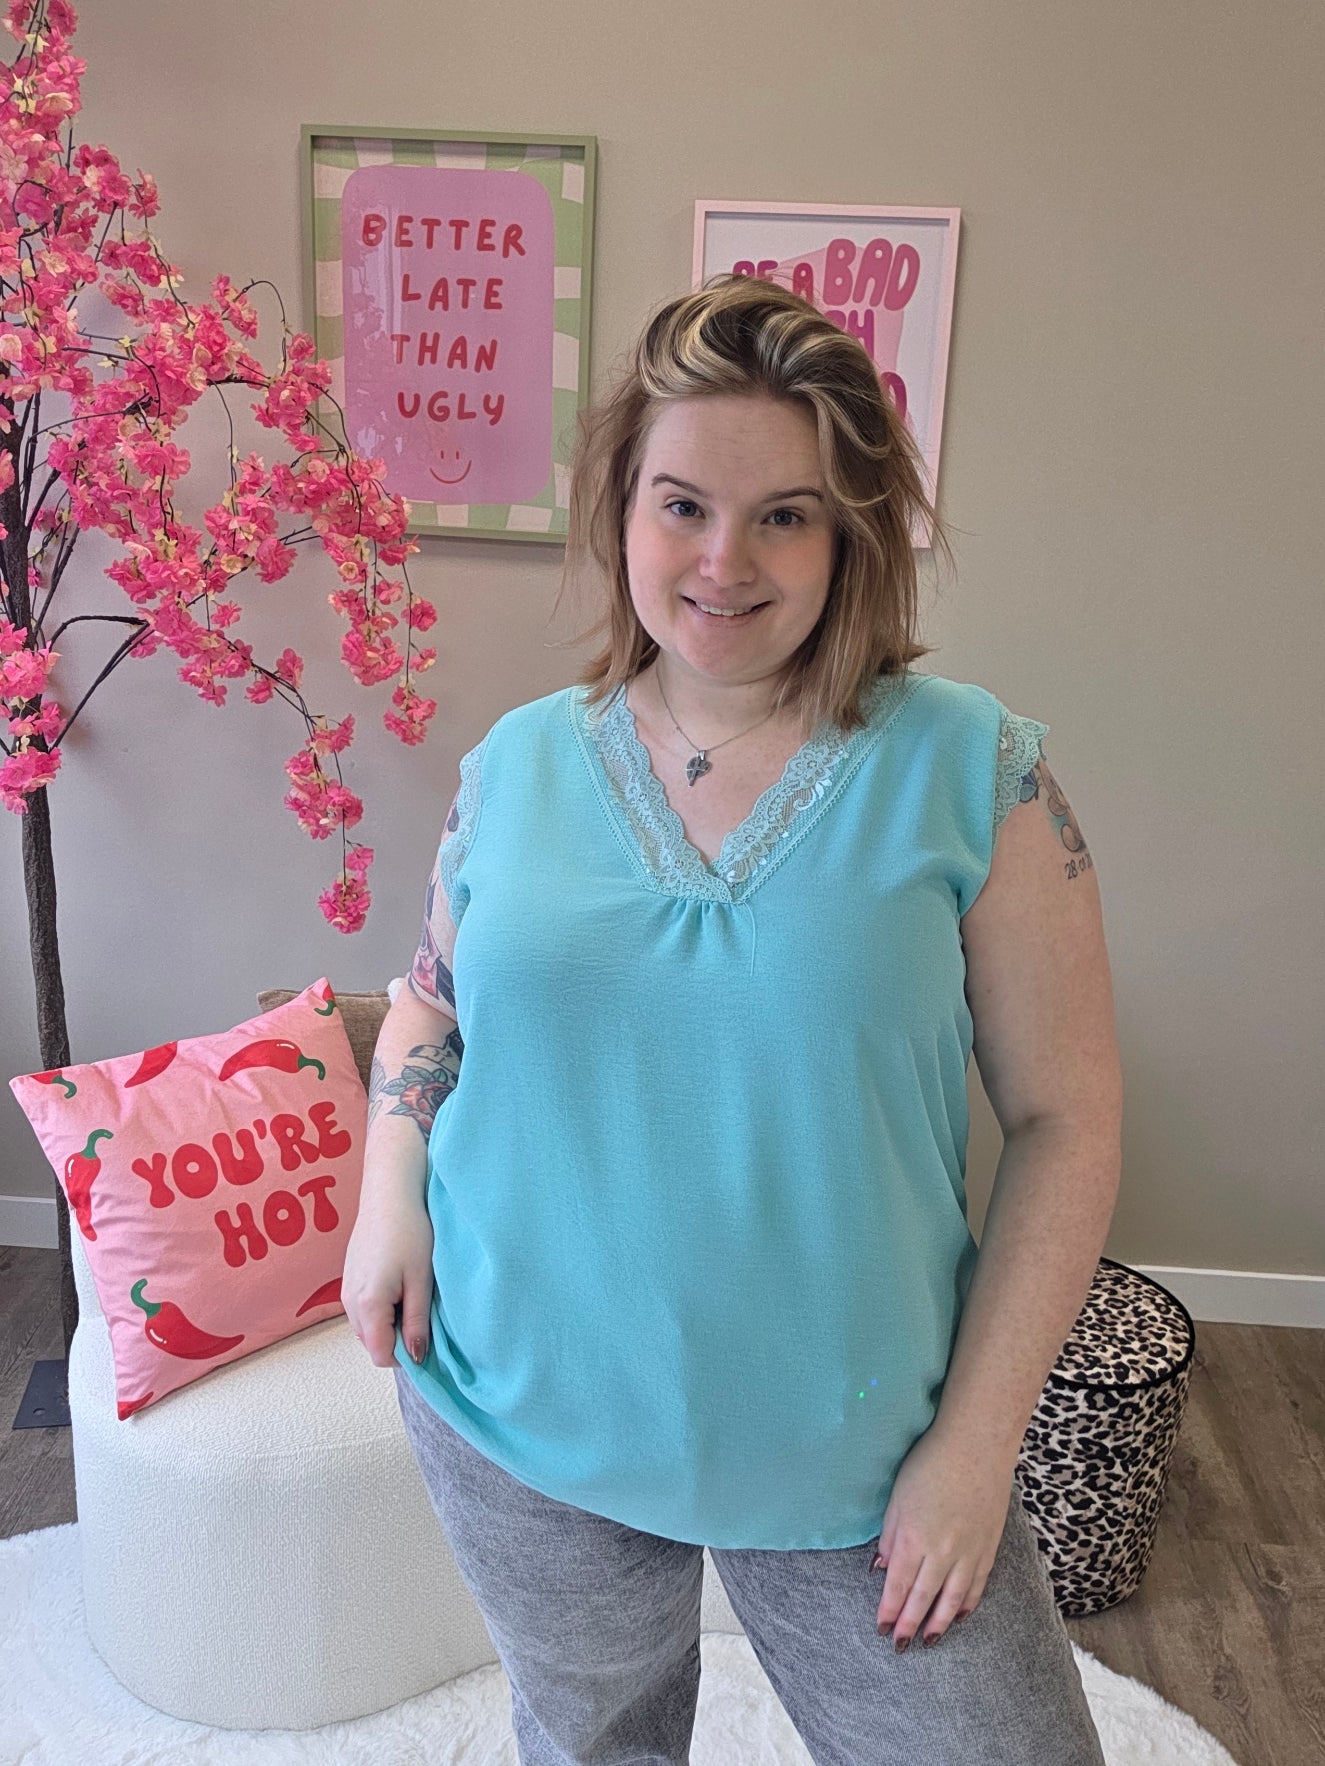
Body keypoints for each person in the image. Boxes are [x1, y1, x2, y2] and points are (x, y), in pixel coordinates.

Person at [343, 273, 1120, 1764]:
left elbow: (1064, 1119)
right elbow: (430, 1007)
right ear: (621, 509)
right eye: (682, 505)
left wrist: (976, 1448)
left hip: (859, 1448)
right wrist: (389, 1193)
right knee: (596, 1743)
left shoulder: (975, 771)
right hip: (521, 1408)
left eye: (784, 516)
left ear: (850, 533)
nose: (724, 561)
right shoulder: (514, 765)